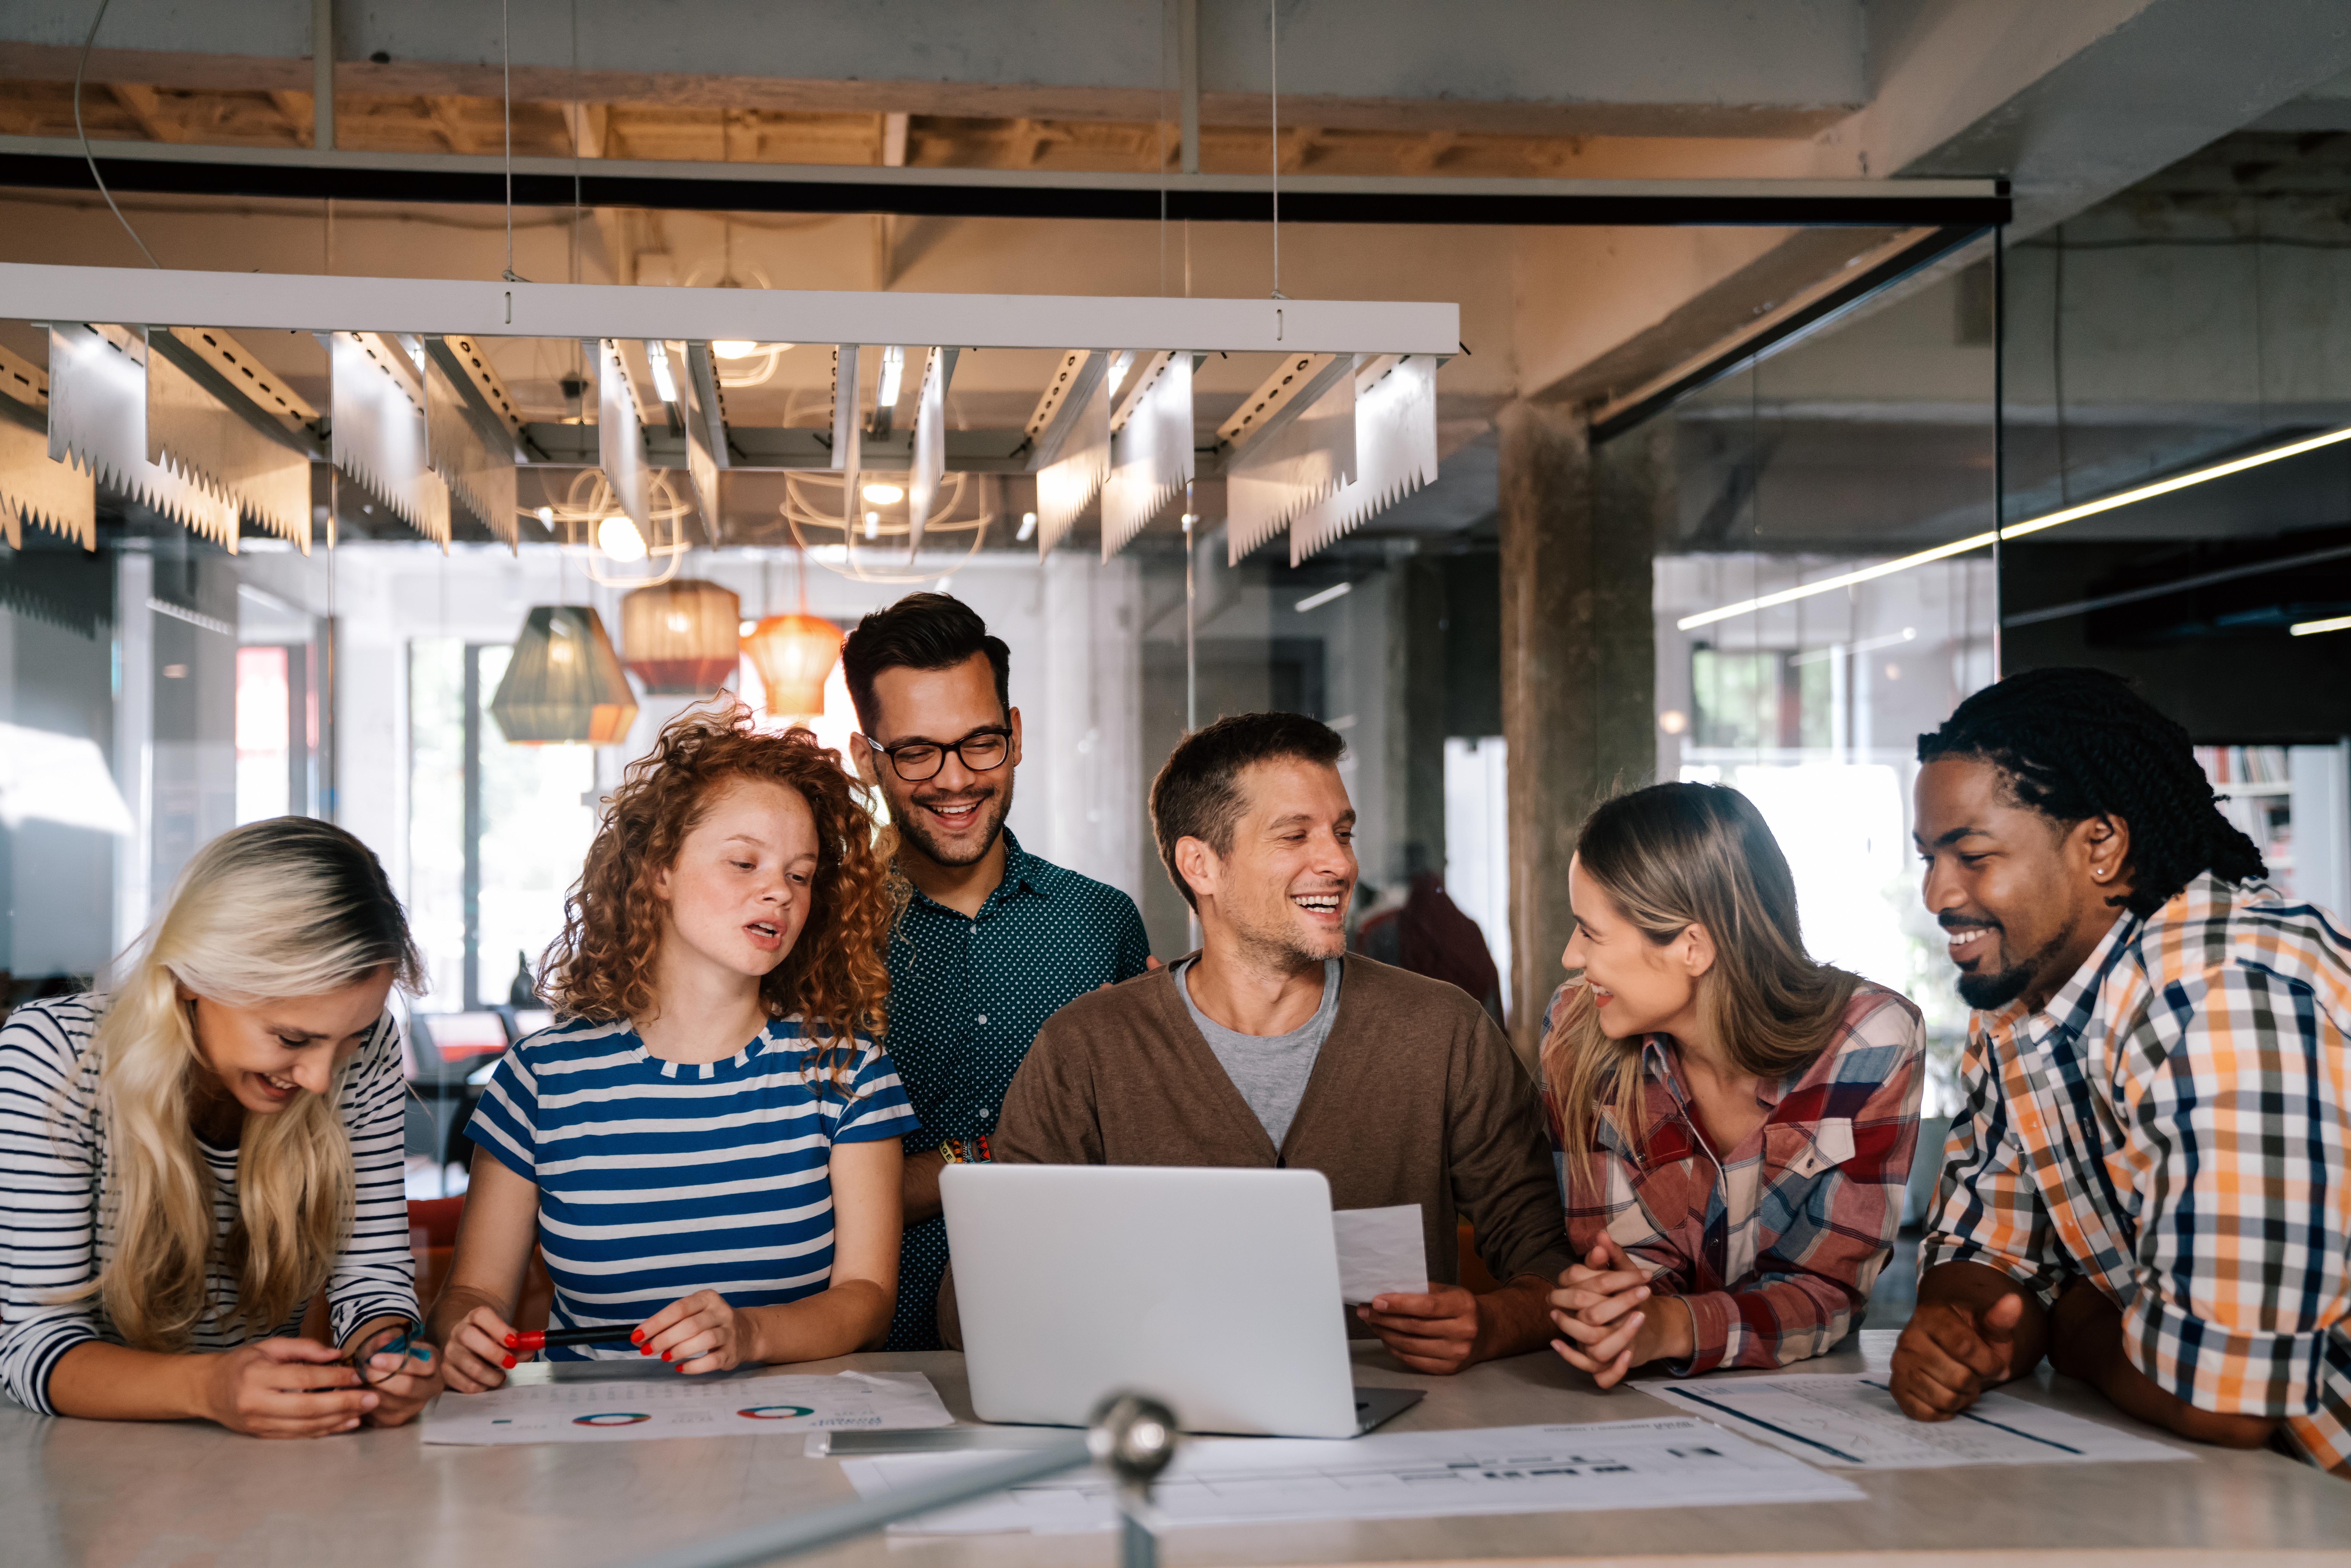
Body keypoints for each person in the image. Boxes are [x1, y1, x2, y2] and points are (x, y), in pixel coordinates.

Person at [956, 711, 1576, 1374]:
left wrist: (1490, 1324)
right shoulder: (1084, 1050)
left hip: (1400, 1441)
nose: (1339, 863)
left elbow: (1550, 1268)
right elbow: (980, 1298)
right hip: (1159, 1429)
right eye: (1295, 835)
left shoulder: (1443, 1031)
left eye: (1342, 833)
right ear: (1201, 865)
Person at [1894, 667, 2351, 1474]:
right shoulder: (2022, 1006)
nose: (1937, 893)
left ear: (2099, 846)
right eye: (1929, 857)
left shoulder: (2225, 1001)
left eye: (1970, 855)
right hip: (2252, 1494)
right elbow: (1989, 1259)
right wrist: (1963, 1333)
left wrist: (2079, 1332)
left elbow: (2226, 1400)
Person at [430, 704, 915, 1389]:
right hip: (591, 1448)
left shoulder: (848, 1070)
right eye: (744, 862)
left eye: (800, 875)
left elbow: (865, 1301)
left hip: (789, 1445)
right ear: (658, 870)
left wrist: (750, 1333)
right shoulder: (541, 1079)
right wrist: (462, 1335)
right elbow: (471, 1296)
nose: (778, 891)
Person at [0, 818, 438, 1436]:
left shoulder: (366, 1055)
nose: (319, 1078)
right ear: (191, 978)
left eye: (350, 1039)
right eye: (291, 1037)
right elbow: (33, 1345)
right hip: (75, 1461)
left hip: (260, 1464)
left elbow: (371, 1283)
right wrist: (212, 1388)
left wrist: (387, 1358)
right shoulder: (53, 1058)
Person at [839, 593, 1153, 1351]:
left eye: (979, 741)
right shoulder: (822, 937)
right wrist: (995, 1153)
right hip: (866, 1352)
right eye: (916, 751)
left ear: (1014, 736)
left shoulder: (1101, 922)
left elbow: (1139, 1150)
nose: (955, 780)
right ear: (865, 758)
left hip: (1081, 1335)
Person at [1537, 783, 1925, 1386]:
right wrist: (1608, 1309)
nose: (1569, 956)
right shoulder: (1576, 1031)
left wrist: (1673, 1328)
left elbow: (1828, 1289)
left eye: (1589, 932)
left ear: (1691, 946)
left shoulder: (1870, 1041)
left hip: (1808, 1406)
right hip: (1632, 1408)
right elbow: (1618, 1263)